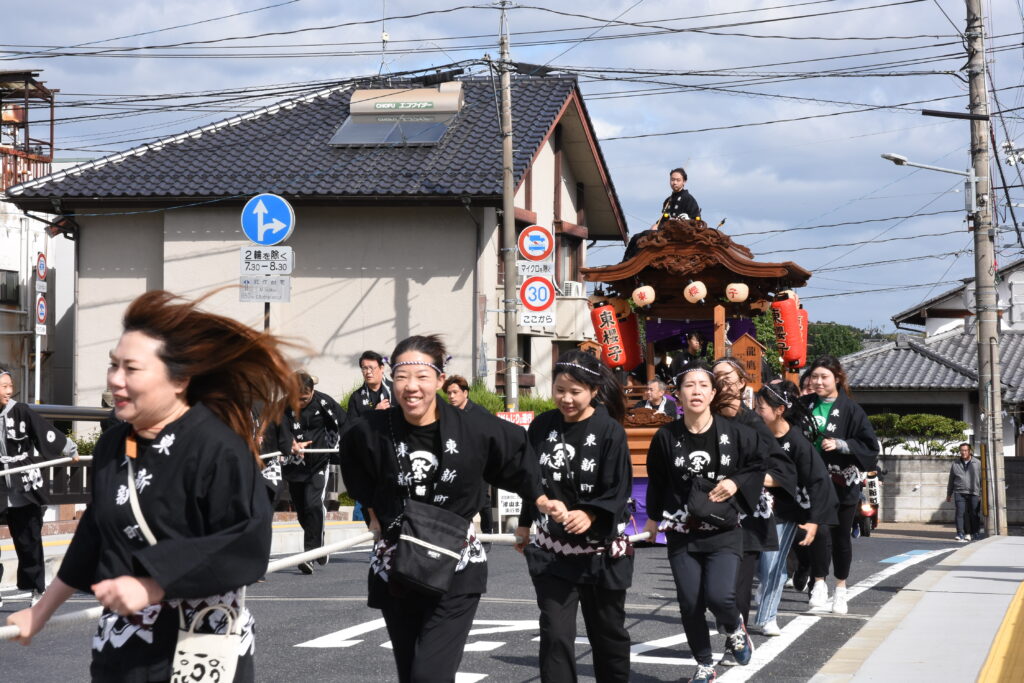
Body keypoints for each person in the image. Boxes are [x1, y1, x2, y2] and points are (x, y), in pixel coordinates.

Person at [6, 289, 294, 682]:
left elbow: (247, 541)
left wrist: (154, 583)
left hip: (203, 644)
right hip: (126, 644)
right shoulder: (113, 443)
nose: (115, 380)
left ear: (179, 380)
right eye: (113, 365)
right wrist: (42, 611)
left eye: (131, 369)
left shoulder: (217, 446)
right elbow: (94, 531)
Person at [339, 334, 559, 683]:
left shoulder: (472, 426)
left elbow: (517, 450)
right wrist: (371, 511)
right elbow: (351, 464)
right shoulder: (371, 430)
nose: (411, 387)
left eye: (422, 377)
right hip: (398, 562)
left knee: (430, 675)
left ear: (440, 380)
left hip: (455, 562)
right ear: (390, 378)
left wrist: (540, 497)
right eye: (402, 377)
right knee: (411, 670)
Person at [515, 350, 634, 683]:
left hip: (601, 552)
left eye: (575, 391)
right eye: (560, 390)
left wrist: (591, 513)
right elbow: (531, 480)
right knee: (554, 633)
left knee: (608, 634)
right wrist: (525, 524)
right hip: (555, 551)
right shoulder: (541, 426)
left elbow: (619, 486)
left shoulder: (609, 430)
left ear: (594, 391)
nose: (566, 398)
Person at [643, 361, 765, 682]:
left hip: (724, 530)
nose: (696, 391)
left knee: (720, 595)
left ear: (713, 393)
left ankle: (735, 628)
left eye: (702, 386)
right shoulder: (666, 437)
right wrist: (653, 519)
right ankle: (704, 664)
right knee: (690, 601)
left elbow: (758, 464)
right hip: (682, 531)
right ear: (677, 394)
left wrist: (736, 483)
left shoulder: (736, 433)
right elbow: (656, 481)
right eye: (689, 386)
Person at [711, 358, 794, 664]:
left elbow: (782, 472)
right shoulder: (701, 420)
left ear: (743, 382)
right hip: (707, 515)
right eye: (716, 378)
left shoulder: (753, 424)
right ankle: (732, 628)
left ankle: (734, 641)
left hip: (745, 517)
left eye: (728, 379)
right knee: (708, 589)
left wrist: (740, 481)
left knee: (738, 585)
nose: (723, 385)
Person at [752, 380, 838, 637]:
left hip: (786, 511)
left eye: (762, 407)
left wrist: (813, 521)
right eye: (755, 407)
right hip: (753, 508)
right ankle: (766, 586)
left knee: (773, 565)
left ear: (779, 410)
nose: (757, 412)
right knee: (757, 564)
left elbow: (818, 481)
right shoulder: (755, 433)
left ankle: (768, 617)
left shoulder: (797, 442)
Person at [802, 355, 879, 615]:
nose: (819, 382)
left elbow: (870, 446)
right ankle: (819, 584)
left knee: (841, 537)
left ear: (837, 378)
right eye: (815, 377)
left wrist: (842, 444)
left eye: (824, 377)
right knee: (818, 532)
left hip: (843, 480)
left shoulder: (851, 409)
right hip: (815, 482)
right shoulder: (804, 406)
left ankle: (842, 588)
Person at [1, 369, 79, 608]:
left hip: (23, 481)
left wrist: (70, 449)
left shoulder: (21, 411)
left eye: (9, 385)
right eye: (3, 386)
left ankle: (35, 588)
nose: (8, 390)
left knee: (28, 538)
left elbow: (44, 432)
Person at [282, 371, 347, 574]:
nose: (301, 403)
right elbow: (278, 430)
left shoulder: (324, 403)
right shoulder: (283, 407)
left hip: (318, 462)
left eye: (305, 398)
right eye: (297, 399)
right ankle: (319, 543)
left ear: (312, 392)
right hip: (295, 464)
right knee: (302, 511)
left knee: (313, 504)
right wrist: (290, 443)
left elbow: (345, 423)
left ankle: (309, 553)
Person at [444, 374, 495, 536]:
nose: (451, 396)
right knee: (461, 499)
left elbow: (490, 437)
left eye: (455, 392)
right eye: (449, 393)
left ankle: (487, 534)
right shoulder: (447, 414)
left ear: (465, 393)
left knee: (483, 501)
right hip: (456, 463)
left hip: (479, 463)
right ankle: (467, 533)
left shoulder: (479, 412)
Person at [622, 168, 703, 260]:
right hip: (665, 231)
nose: (674, 182)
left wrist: (687, 220)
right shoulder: (668, 200)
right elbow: (663, 219)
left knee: (646, 235)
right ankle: (627, 262)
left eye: (678, 180)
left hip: (677, 234)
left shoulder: (689, 199)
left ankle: (634, 261)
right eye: (672, 180)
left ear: (684, 182)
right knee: (636, 237)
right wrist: (657, 224)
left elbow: (697, 220)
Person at [947, 442, 982, 541]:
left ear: (970, 451)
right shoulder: (955, 464)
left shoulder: (977, 463)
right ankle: (960, 533)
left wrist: (981, 493)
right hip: (959, 492)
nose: (963, 452)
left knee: (974, 513)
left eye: (966, 450)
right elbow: (951, 479)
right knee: (960, 513)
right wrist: (949, 494)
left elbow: (982, 479)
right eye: (962, 450)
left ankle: (975, 532)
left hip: (974, 492)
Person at [347, 350, 393, 419]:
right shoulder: (356, 397)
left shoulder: (395, 390)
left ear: (382, 368)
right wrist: (375, 413)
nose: (368, 372)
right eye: (364, 368)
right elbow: (352, 426)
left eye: (371, 368)